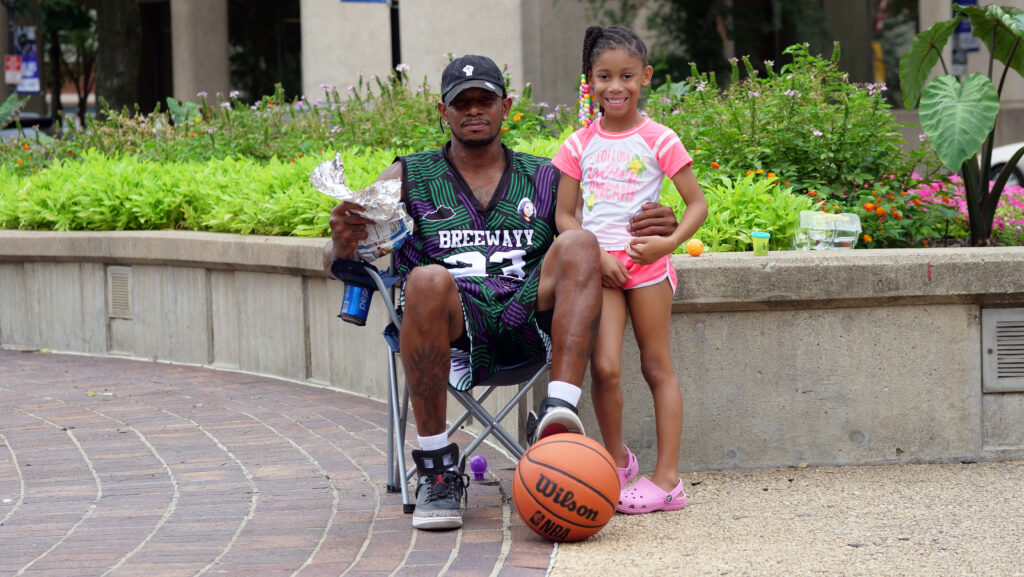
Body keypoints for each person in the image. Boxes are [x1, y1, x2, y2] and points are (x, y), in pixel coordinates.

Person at [325, 54, 679, 530]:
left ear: (505, 106)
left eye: (485, 100)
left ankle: (557, 417)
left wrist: (661, 220)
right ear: (442, 111)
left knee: (579, 242)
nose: (474, 110)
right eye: (462, 102)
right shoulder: (406, 175)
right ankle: (438, 470)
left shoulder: (546, 175)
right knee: (427, 279)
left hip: (530, 321)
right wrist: (341, 243)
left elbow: (612, 217)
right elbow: (337, 261)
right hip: (448, 330)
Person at [552, 26, 708, 515]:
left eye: (625, 76)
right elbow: (564, 216)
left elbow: (696, 205)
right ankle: (618, 460)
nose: (615, 87)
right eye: (604, 76)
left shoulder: (659, 138)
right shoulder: (578, 144)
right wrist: (595, 257)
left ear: (645, 77)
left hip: (648, 266)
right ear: (590, 81)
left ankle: (667, 480)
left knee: (656, 366)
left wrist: (667, 243)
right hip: (601, 270)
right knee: (605, 368)